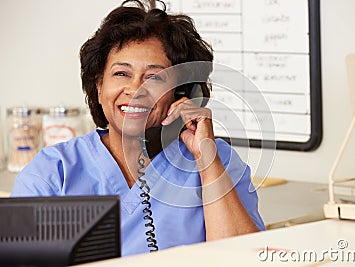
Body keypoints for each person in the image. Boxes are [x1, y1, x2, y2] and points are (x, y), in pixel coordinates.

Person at [11, 0, 265, 256]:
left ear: (181, 92)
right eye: (121, 73)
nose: (135, 90)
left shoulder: (218, 161)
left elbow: (246, 259)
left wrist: (207, 162)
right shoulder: (52, 173)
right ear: (99, 86)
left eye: (154, 78)